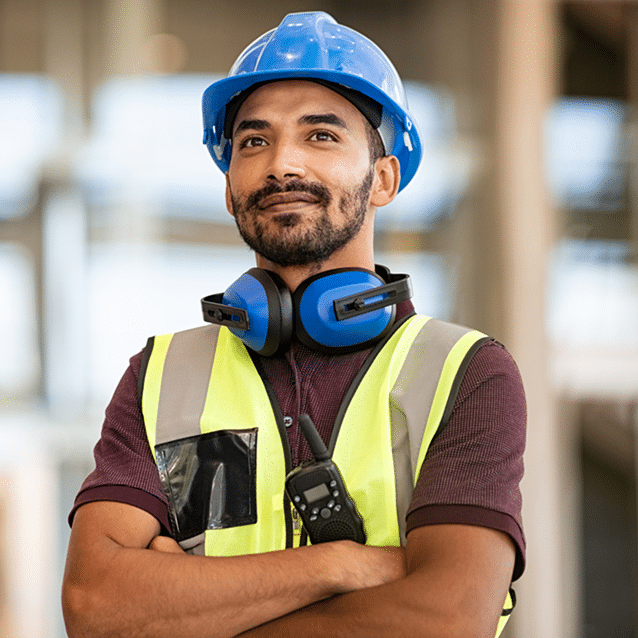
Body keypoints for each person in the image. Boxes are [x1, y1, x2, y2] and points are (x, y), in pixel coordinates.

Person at [62, 11, 525, 638]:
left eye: (321, 137)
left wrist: (188, 613)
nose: (283, 164)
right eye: (254, 141)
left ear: (382, 179)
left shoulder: (463, 371)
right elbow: (95, 607)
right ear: (229, 188)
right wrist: (339, 565)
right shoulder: (159, 377)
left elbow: (445, 618)